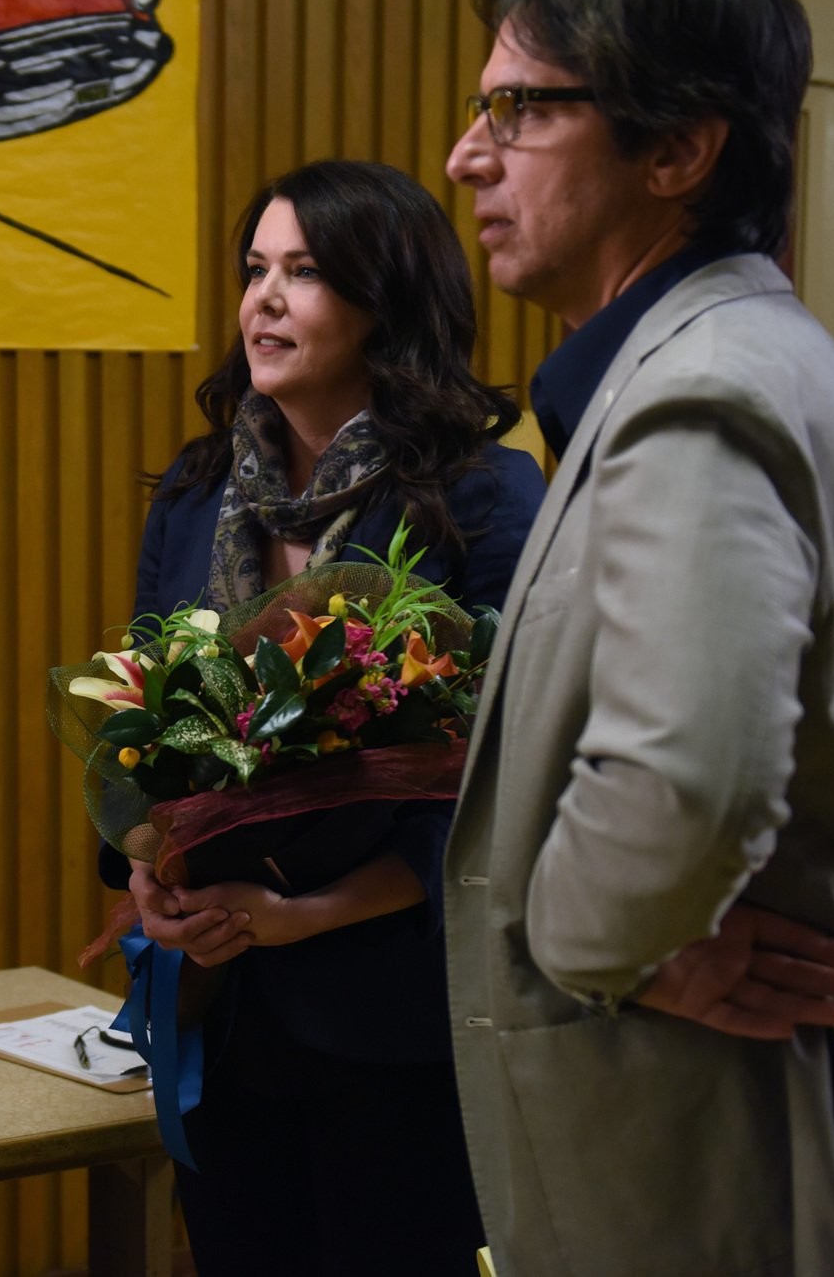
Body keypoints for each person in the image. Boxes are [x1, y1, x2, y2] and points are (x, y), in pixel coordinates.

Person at [440, 0, 834, 1274]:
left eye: (515, 108)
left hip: (715, 1158)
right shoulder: (758, 357)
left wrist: (587, 939)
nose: (466, 154)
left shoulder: (699, 389)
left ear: (676, 151)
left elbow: (689, 774)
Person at [109, 159, 545, 1275]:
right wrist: (149, 872)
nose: (263, 298)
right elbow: (137, 721)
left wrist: (310, 912)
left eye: (302, 272)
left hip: (393, 1011)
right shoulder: (196, 493)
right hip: (218, 999)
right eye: (255, 269)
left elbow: (493, 781)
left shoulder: (483, 501)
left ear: (382, 299)